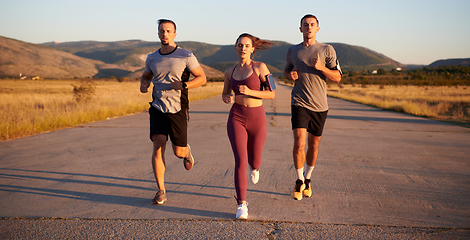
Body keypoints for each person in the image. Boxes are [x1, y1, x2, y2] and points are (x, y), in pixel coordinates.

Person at [140, 19, 207, 205]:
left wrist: (185, 84)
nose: (164, 34)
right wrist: (144, 83)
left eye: (168, 31)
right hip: (157, 107)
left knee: (178, 152)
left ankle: (186, 152)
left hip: (178, 108)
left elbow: (202, 78)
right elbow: (146, 75)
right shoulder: (152, 57)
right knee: (158, 146)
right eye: (161, 31)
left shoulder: (185, 55)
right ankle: (160, 191)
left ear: (175, 34)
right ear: (158, 33)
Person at [283, 14, 342, 201]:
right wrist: (289, 75)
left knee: (313, 145)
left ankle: (308, 178)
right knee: (299, 142)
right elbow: (286, 70)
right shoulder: (292, 51)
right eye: (305, 25)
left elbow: (338, 77)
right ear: (300, 29)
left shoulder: (327, 50)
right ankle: (299, 180)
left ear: (317, 28)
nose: (308, 27)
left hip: (320, 105)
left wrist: (321, 68)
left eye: (312, 25)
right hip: (299, 102)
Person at [222, 33, 276, 219]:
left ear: (252, 49)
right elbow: (225, 94)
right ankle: (241, 205)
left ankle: (256, 167)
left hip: (257, 118)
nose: (243, 48)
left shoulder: (261, 68)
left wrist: (251, 91)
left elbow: (271, 94)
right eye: (240, 45)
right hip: (236, 117)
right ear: (235, 48)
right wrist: (228, 98)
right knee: (240, 160)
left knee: (255, 160)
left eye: (246, 45)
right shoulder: (229, 71)